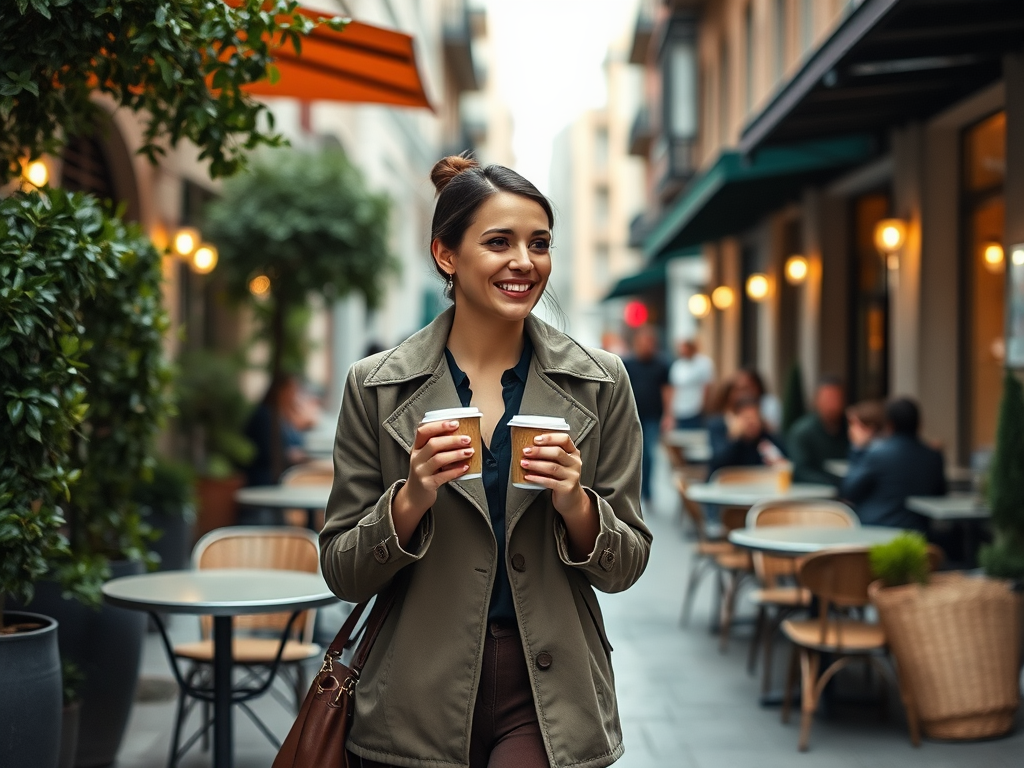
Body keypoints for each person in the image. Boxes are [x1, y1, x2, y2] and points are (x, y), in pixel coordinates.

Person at [319, 155, 652, 768]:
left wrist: (578, 505)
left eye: (540, 244)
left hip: (548, 691)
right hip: (414, 691)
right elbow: (342, 570)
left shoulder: (601, 383)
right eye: (499, 242)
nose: (524, 262)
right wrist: (410, 498)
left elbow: (626, 563)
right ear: (446, 255)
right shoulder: (375, 386)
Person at [840, 397, 946, 530]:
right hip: (918, 538)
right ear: (919, 424)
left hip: (875, 533)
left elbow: (849, 490)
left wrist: (858, 449)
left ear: (889, 424)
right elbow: (940, 495)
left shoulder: (877, 454)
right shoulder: (934, 456)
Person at [622, 324, 672, 505]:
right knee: (633, 454)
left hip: (653, 416)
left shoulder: (661, 365)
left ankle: (647, 491)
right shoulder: (627, 363)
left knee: (649, 454)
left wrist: (668, 415)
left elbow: (667, 391)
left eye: (650, 342)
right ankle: (634, 490)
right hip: (631, 415)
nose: (646, 345)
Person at [243, 373, 317, 486]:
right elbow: (266, 451)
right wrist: (289, 455)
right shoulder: (266, 416)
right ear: (280, 391)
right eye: (292, 390)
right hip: (267, 479)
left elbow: (297, 441)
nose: (295, 394)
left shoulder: (283, 415)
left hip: (285, 475)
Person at [785, 376, 849, 485]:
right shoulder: (802, 431)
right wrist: (835, 484)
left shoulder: (851, 428)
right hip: (814, 493)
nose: (832, 404)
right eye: (828, 398)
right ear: (817, 401)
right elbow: (799, 471)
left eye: (836, 398)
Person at [707, 394, 787, 476]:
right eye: (747, 418)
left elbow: (784, 462)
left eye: (755, 417)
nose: (751, 423)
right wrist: (734, 438)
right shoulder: (720, 430)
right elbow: (717, 463)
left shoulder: (766, 438)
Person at [669, 338, 715, 429]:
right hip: (679, 409)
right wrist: (671, 412)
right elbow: (673, 388)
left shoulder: (704, 363)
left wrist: (704, 407)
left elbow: (707, 386)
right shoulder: (677, 365)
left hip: (696, 409)